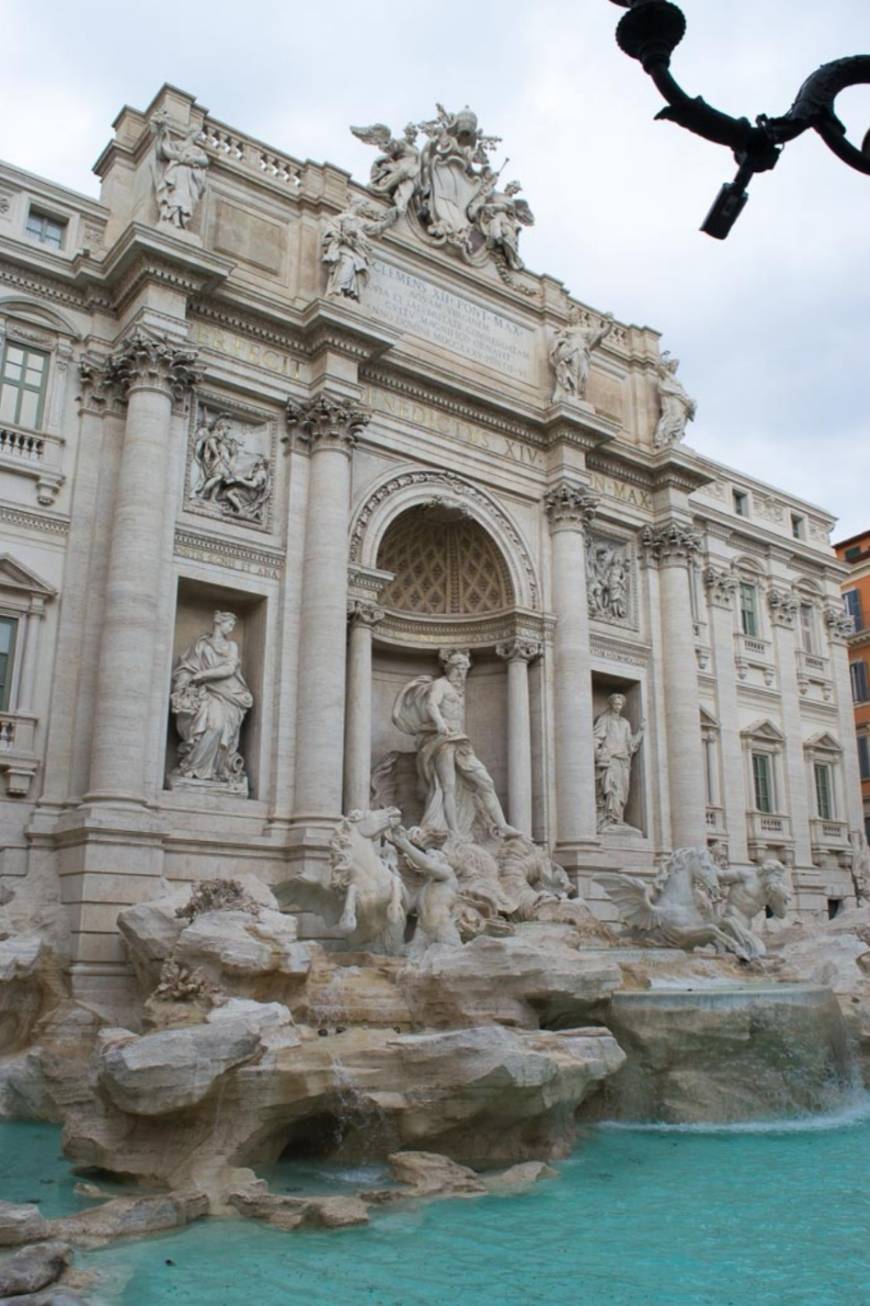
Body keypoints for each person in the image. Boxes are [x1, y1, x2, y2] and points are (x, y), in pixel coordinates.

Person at [392, 649, 517, 839]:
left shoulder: (457, 689)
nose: (462, 674)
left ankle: (502, 824)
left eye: (465, 669)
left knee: (486, 781)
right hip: (442, 741)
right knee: (447, 787)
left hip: (459, 741)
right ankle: (454, 831)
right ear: (450, 668)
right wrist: (440, 723)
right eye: (459, 668)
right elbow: (431, 704)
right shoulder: (440, 685)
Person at [170, 611, 253, 787]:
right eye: (229, 624)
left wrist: (203, 674)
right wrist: (183, 685)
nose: (231, 628)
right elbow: (188, 667)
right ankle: (192, 768)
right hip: (204, 693)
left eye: (233, 626)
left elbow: (230, 669)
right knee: (210, 726)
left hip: (227, 693)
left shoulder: (231, 646)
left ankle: (215, 769)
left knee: (218, 727)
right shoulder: (201, 645)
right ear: (219, 623)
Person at [593, 693, 644, 829]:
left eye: (620, 704)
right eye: (615, 704)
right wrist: (597, 753)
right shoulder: (604, 719)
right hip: (610, 760)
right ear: (611, 704)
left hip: (623, 761)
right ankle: (608, 818)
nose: (618, 706)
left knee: (622, 791)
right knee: (610, 789)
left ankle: (618, 817)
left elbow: (631, 745)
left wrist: (640, 731)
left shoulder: (625, 723)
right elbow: (596, 738)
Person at [549, 308, 614, 402]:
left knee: (582, 373)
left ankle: (577, 393)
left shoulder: (585, 331)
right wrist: (564, 342)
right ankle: (572, 392)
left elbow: (601, 334)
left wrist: (610, 324)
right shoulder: (566, 330)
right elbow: (556, 341)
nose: (574, 317)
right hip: (571, 353)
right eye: (572, 316)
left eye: (575, 316)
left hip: (582, 354)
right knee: (573, 371)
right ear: (569, 318)